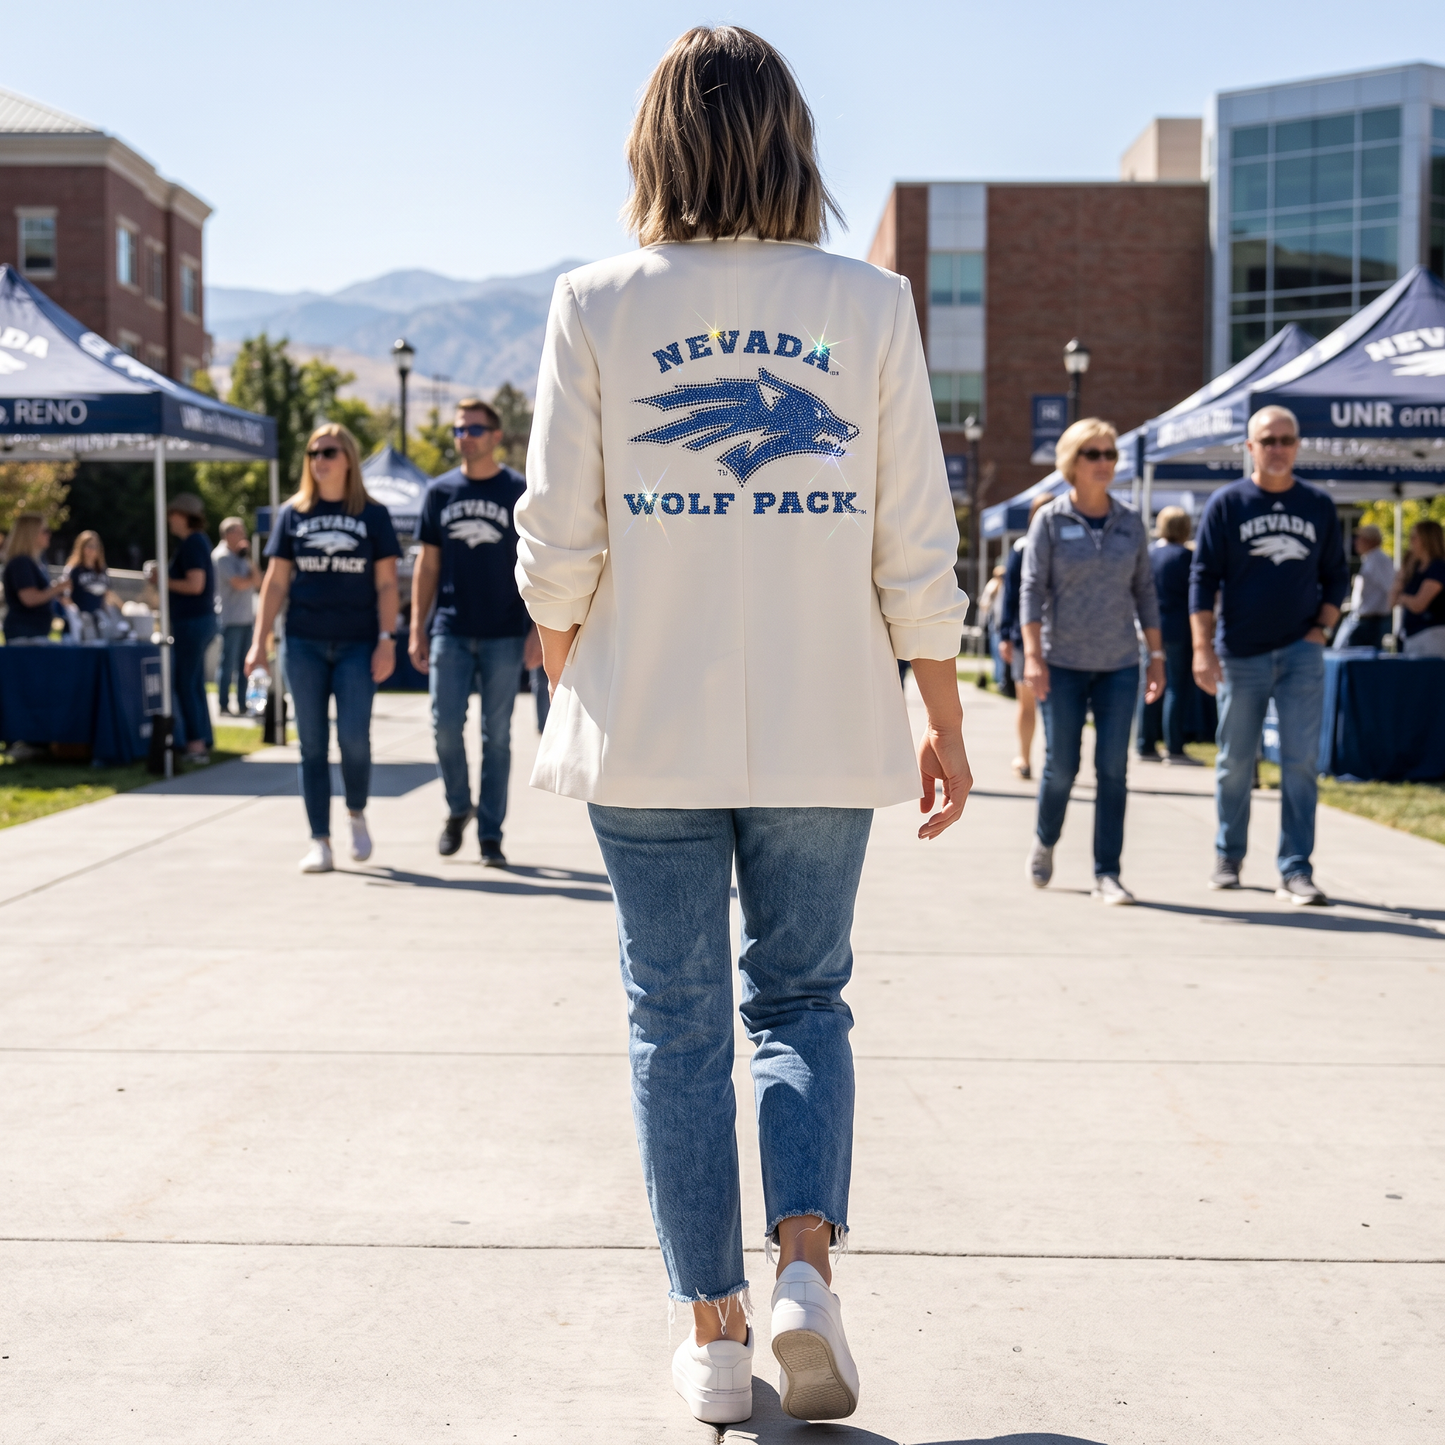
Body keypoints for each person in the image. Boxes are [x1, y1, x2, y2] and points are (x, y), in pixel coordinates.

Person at [514, 25, 972, 1428]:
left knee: (674, 1020)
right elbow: (914, 538)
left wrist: (573, 668)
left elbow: (555, 546)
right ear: (792, 142)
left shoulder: (595, 302)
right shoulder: (869, 302)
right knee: (801, 999)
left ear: (652, 143)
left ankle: (712, 1333)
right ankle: (804, 1274)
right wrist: (942, 715)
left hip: (647, 719)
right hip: (823, 714)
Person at [1190, 405, 1348, 904]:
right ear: (1250, 447)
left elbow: (1337, 576)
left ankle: (1296, 868)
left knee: (1300, 763)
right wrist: (1201, 648)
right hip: (1240, 653)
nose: (1277, 448)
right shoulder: (1227, 503)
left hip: (1301, 652)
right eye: (1268, 440)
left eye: (1286, 440)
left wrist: (1322, 629)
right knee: (1235, 762)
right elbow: (1202, 580)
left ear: (1297, 446)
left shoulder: (1318, 504)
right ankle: (1228, 856)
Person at [1020, 420, 1163, 905]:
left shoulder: (1130, 521)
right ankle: (1046, 840)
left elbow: (1145, 592)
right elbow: (1031, 590)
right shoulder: (1050, 520)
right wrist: (1033, 656)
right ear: (1072, 461)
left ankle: (1108, 872)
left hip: (1120, 664)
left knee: (1113, 770)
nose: (1104, 462)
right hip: (1060, 663)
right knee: (1061, 766)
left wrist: (1156, 656)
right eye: (1093, 453)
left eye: (1110, 454)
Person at [247, 424, 400, 873]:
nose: (319, 460)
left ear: (348, 458)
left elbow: (387, 583)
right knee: (311, 744)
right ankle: (320, 841)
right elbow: (276, 582)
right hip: (303, 643)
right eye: (313, 452)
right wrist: (258, 643)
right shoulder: (293, 513)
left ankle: (356, 812)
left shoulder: (373, 515)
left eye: (329, 452)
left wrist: (386, 640)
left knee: (353, 738)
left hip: (358, 643)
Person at [409, 399, 532, 866]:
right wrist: (417, 627)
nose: (466, 437)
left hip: (505, 630)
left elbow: (536, 564)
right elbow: (427, 564)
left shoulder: (518, 490)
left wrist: (538, 631)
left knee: (496, 736)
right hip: (451, 628)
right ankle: (459, 807)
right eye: (459, 430)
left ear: (496, 436)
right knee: (444, 727)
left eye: (475, 429)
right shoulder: (439, 491)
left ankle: (491, 834)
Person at [1135, 506, 1198, 765]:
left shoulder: (1149, 554)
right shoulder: (1186, 557)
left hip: (1149, 628)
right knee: (1175, 687)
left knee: (1150, 683)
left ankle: (1145, 744)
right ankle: (1174, 747)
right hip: (1177, 628)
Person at [998, 492, 1053, 778]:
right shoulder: (1024, 548)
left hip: (1038, 638)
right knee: (1040, 705)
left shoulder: (1025, 547)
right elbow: (1011, 595)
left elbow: (1010, 596)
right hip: (1035, 638)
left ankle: (1028, 758)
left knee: (1029, 704)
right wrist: (1006, 635)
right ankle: (1032, 758)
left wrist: (1005, 634)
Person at [164, 493, 217, 765]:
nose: (169, 520)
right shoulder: (197, 542)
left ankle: (195, 743)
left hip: (192, 621)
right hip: (197, 620)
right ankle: (202, 738)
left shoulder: (193, 543)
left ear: (183, 516)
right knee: (194, 682)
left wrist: (163, 581)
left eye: (172, 514)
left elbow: (195, 585)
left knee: (186, 682)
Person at [213, 517, 258, 714]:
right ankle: (223, 704)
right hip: (230, 619)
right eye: (240, 531)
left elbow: (258, 580)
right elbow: (238, 583)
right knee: (228, 664)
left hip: (246, 618)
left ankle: (242, 703)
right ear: (229, 534)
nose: (244, 535)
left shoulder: (240, 556)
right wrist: (250, 579)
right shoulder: (221, 556)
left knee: (244, 666)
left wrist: (248, 556)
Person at [2, 513, 66, 643]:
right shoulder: (21, 563)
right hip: (24, 634)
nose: (49, 534)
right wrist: (57, 589)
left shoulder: (37, 562)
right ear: (31, 533)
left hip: (36, 632)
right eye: (45, 531)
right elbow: (29, 598)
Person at [1389, 519, 1445, 658]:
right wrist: (1403, 572)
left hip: (1432, 635)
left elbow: (1419, 604)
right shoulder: (1414, 569)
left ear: (1427, 540)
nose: (1411, 541)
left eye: (1414, 537)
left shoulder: (1438, 568)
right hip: (1411, 635)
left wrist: (1403, 598)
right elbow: (1391, 602)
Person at [1333, 524, 1393, 651]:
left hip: (1370, 623)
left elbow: (1391, 588)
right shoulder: (1370, 559)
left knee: (1345, 655)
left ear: (1370, 540)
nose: (1355, 542)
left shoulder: (1379, 560)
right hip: (1362, 620)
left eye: (1359, 538)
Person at [62, 531, 110, 619]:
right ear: (81, 547)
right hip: (80, 618)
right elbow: (65, 596)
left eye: (95, 546)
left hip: (98, 618)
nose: (92, 550)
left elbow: (106, 595)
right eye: (89, 546)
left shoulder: (101, 570)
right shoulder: (74, 570)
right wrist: (75, 615)